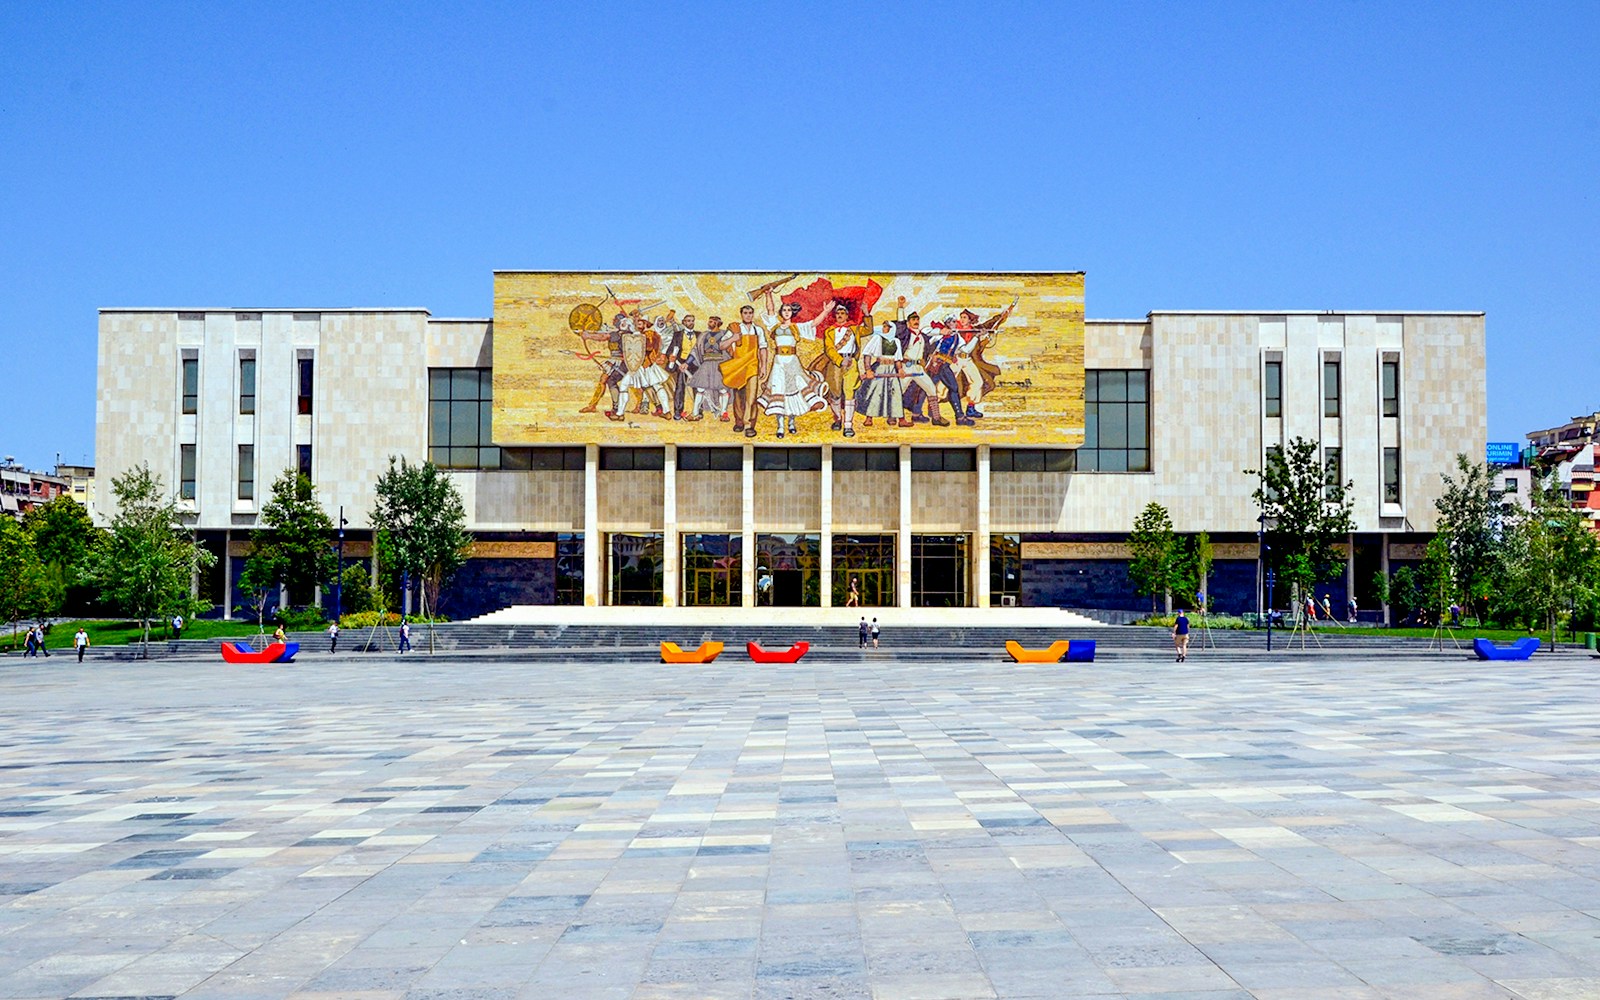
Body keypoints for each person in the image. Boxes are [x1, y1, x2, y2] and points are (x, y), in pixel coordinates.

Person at [719, 305, 769, 438]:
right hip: (738, 366)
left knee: (751, 396)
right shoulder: (735, 329)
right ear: (741, 314)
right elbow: (721, 345)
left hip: (752, 366)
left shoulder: (758, 330)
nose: (748, 315)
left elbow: (763, 349)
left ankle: (749, 425)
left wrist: (763, 366)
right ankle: (739, 421)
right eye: (746, 313)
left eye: (750, 313)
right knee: (738, 396)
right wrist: (733, 339)